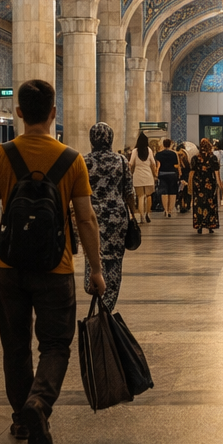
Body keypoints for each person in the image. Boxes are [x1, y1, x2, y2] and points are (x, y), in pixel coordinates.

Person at [0, 79, 107, 444]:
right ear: (53, 114)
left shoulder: (0, 155)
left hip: (9, 266)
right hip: (57, 267)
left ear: (18, 112)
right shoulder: (71, 159)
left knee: (15, 345)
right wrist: (95, 269)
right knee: (54, 345)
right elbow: (86, 219)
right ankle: (39, 402)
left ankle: (21, 418)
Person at [83, 122, 134, 311]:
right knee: (114, 260)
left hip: (91, 218)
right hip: (116, 219)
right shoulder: (120, 160)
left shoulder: (84, 161)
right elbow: (129, 192)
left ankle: (94, 287)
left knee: (93, 255)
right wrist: (134, 214)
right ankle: (108, 304)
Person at [189, 137, 221, 234]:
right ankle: (210, 225)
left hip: (198, 184)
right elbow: (216, 173)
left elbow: (191, 173)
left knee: (199, 204)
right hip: (210, 184)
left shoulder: (195, 158)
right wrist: (220, 184)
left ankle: (199, 225)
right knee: (210, 204)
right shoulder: (213, 158)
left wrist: (189, 184)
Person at [130, 132, 155, 223]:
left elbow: (131, 163)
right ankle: (148, 213)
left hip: (138, 176)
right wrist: (155, 174)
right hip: (148, 175)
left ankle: (141, 217)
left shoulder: (135, 151)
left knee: (140, 196)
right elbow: (153, 163)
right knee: (148, 196)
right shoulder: (149, 150)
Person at [154, 137, 181, 218]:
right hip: (172, 174)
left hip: (162, 174)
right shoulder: (174, 154)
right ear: (170, 144)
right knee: (172, 192)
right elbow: (177, 165)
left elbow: (158, 165)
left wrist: (156, 174)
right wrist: (179, 173)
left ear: (163, 144)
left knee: (164, 192)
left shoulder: (158, 154)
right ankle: (170, 210)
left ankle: (165, 210)